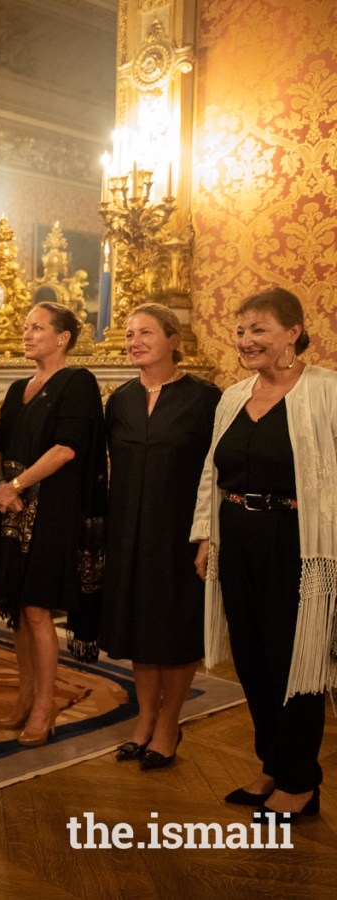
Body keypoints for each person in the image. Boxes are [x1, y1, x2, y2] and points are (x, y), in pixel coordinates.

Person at [193, 288, 334, 819]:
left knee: (295, 660)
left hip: (297, 541)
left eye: (259, 329)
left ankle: (300, 780)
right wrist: (207, 536)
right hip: (237, 534)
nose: (246, 340)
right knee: (251, 658)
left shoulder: (326, 391)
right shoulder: (233, 396)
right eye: (240, 331)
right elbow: (213, 470)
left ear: (293, 332)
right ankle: (272, 764)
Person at [100, 303, 220, 770]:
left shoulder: (205, 398)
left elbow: (217, 473)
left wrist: (208, 536)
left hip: (180, 534)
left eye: (146, 333)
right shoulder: (121, 399)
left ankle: (170, 724)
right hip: (128, 531)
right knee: (137, 627)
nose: (135, 341)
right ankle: (144, 720)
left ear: (174, 340)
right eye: (130, 334)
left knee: (174, 630)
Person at [0, 301, 106, 747]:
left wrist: (14, 484)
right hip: (13, 509)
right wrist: (3, 485)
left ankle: (45, 706)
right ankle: (24, 699)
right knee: (18, 608)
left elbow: (66, 449)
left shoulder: (77, 382)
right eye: (25, 327)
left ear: (63, 338)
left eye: (36, 328)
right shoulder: (19, 384)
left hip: (52, 508)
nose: (27, 334)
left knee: (37, 607)